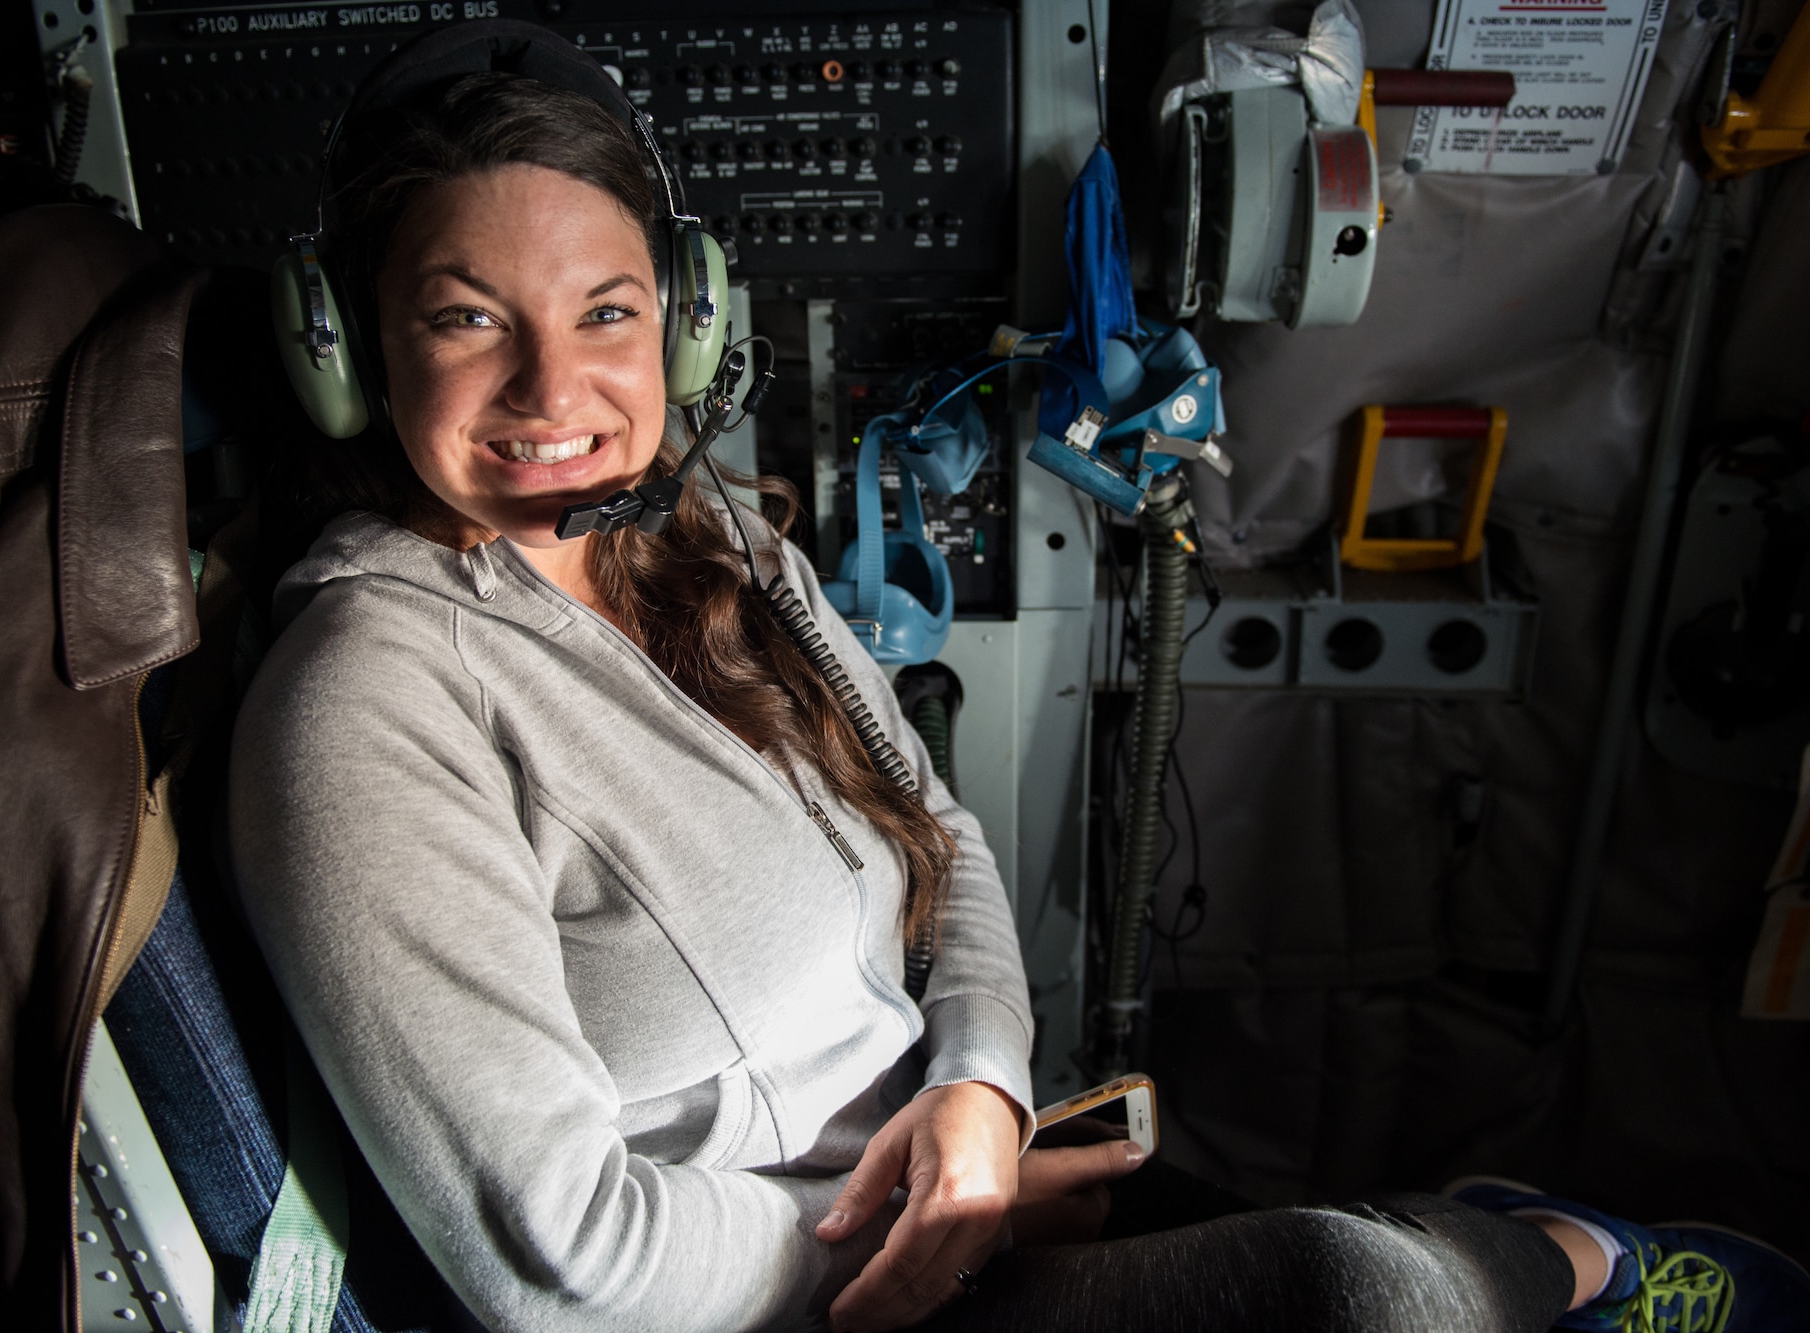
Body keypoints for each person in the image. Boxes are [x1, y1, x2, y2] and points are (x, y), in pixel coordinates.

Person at [228, 30, 1808, 1333]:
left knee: (1396, 1275)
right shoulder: (365, 707)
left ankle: (1566, 1257)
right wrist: (938, 1237)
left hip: (980, 1193)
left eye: (608, 313)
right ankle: (1568, 1256)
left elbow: (942, 835)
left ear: (686, 329)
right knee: (1360, 1290)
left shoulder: (710, 545)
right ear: (349, 355)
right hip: (821, 1299)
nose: (554, 388)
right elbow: (555, 1261)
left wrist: (983, 1085)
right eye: (462, 318)